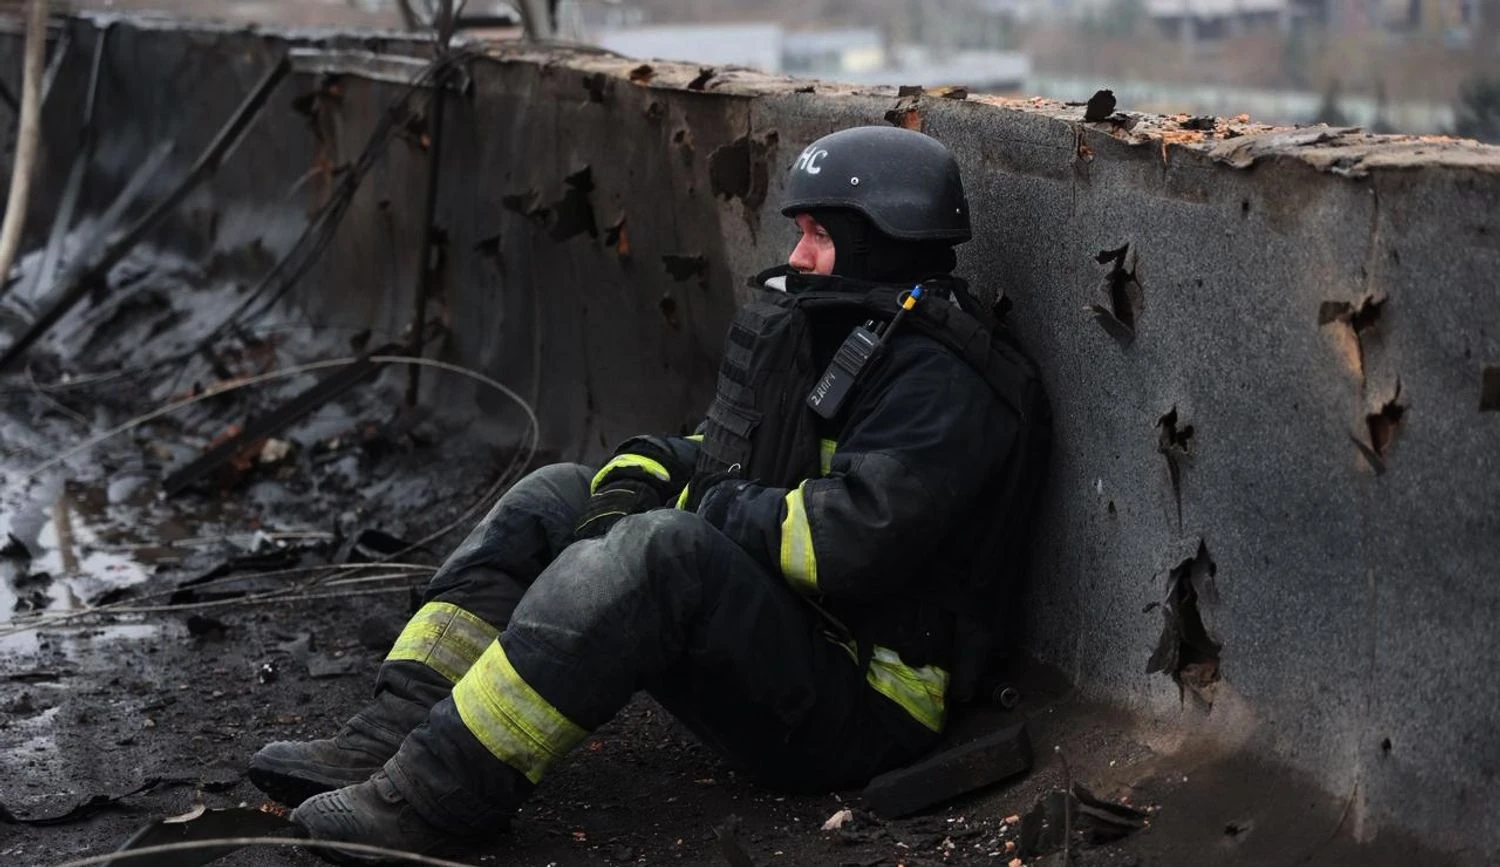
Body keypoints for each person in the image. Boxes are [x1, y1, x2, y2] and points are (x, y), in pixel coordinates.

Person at [250, 125, 1046, 863]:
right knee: (555, 494)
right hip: (796, 639)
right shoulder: (846, 330)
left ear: (884, 240)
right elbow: (740, 455)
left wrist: (693, 506)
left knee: (663, 550)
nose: (798, 256)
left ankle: (433, 800)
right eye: (800, 232)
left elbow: (847, 540)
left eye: (820, 235)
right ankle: (391, 736)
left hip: (860, 707)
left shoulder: (944, 380)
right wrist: (643, 471)